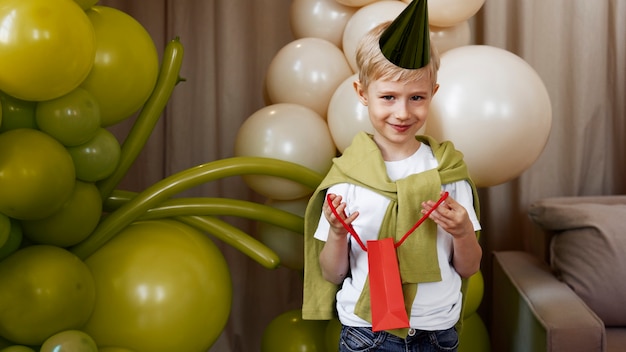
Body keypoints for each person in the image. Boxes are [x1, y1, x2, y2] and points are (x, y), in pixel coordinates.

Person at [302, 0, 482, 351]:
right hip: (366, 334)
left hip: (437, 334)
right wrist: (337, 233)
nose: (402, 112)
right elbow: (333, 274)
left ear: (433, 94)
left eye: (416, 97)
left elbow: (469, 268)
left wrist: (462, 231)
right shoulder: (347, 178)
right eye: (388, 97)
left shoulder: (448, 173)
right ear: (362, 94)